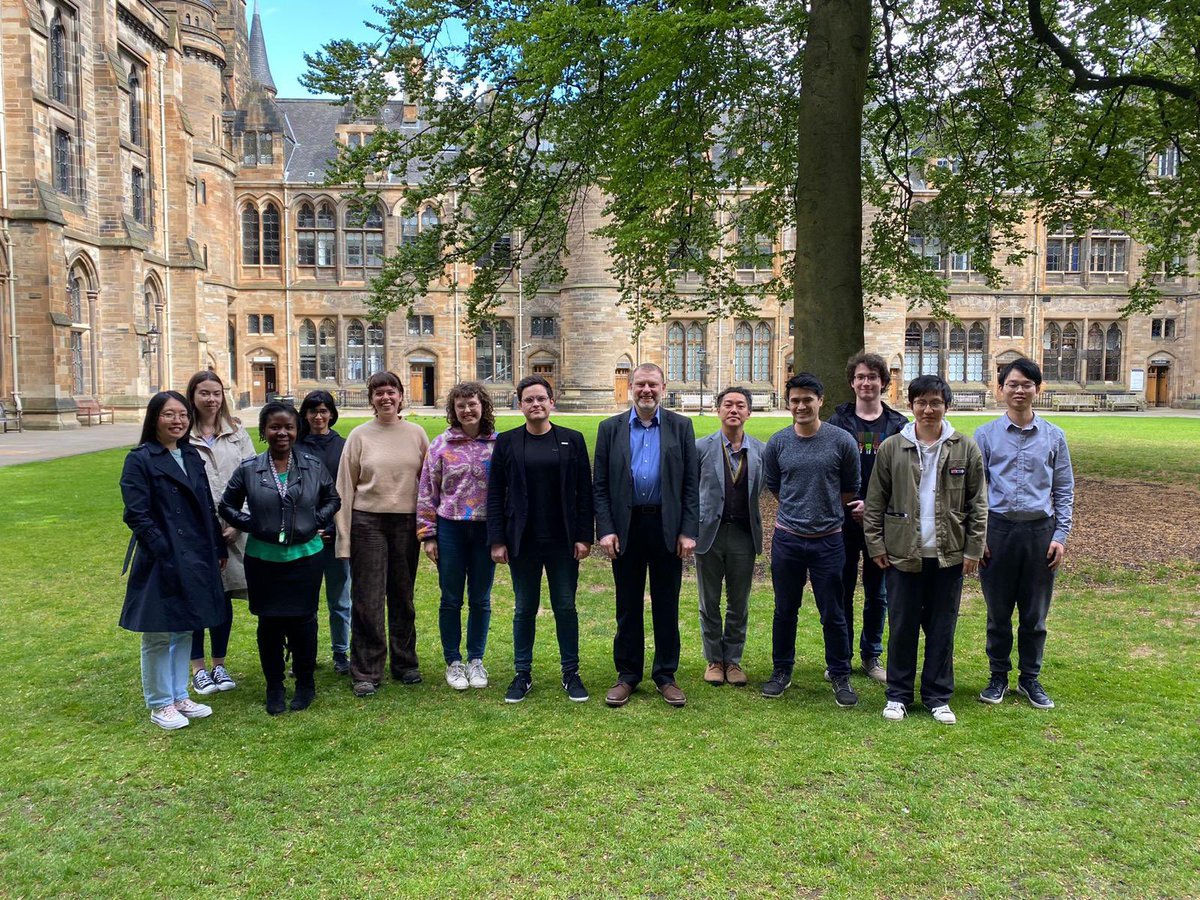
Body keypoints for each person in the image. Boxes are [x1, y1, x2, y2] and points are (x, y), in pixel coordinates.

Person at [863, 375, 988, 724]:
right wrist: (876, 544)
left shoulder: (965, 447)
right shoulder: (892, 447)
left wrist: (974, 548)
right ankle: (898, 695)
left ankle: (937, 696)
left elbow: (979, 503)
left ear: (946, 405)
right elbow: (875, 502)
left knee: (942, 628)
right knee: (902, 626)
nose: (928, 409)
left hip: (949, 555)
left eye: (935, 402)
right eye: (921, 402)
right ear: (911, 405)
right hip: (903, 554)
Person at [221, 402, 340, 715]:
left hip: (305, 557)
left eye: (288, 427)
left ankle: (305, 683)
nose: (282, 433)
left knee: (304, 622)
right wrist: (252, 524)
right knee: (269, 624)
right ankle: (274, 685)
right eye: (275, 427)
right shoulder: (250, 468)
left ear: (297, 429)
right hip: (263, 559)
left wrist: (314, 521)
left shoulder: (312, 465)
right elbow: (226, 505)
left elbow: (333, 498)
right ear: (264, 431)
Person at [119, 391, 228, 730]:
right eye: (169, 414)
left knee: (184, 627)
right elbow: (136, 514)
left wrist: (218, 547)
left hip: (196, 553)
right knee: (158, 632)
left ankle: (179, 695)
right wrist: (162, 547)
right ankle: (159, 703)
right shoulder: (140, 459)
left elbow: (206, 506)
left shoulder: (191, 455)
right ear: (155, 418)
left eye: (182, 414)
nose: (177, 420)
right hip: (161, 557)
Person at [594, 362, 699, 708]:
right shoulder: (609, 429)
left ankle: (666, 675)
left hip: (666, 528)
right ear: (631, 387)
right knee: (627, 605)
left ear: (663, 388)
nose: (646, 390)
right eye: (640, 384)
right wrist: (606, 529)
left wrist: (688, 530)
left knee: (666, 605)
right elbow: (600, 486)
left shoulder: (681, 427)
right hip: (627, 528)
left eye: (653, 384)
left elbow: (690, 484)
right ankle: (627, 674)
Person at [487, 376, 594, 703]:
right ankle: (522, 673)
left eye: (541, 399)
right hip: (523, 540)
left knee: (565, 606)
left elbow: (584, 493)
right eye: (529, 400)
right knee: (524, 607)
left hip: (563, 540)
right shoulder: (507, 442)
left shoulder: (572, 440)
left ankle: (570, 672)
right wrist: (497, 540)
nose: (535, 404)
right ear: (520, 405)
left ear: (551, 402)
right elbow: (495, 493)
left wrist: (583, 536)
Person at [975, 358, 1074, 710]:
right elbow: (975, 491)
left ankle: (1030, 678)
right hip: (997, 531)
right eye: (1012, 384)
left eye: (1026, 384)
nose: (1019, 390)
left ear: (1037, 389)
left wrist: (1060, 535)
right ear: (1001, 388)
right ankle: (998, 676)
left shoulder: (1054, 436)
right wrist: (978, 536)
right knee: (998, 613)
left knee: (1034, 615)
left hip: (1039, 533)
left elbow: (1064, 489)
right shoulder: (985, 435)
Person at [762, 372, 862, 707]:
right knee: (785, 609)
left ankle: (840, 673)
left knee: (833, 611)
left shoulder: (841, 441)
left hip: (828, 541)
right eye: (795, 400)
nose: (801, 406)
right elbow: (775, 486)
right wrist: (798, 510)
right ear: (788, 403)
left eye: (808, 399)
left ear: (820, 401)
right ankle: (781, 670)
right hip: (788, 540)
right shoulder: (778, 442)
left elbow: (850, 487)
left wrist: (824, 510)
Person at [335, 372, 431, 697]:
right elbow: (345, 488)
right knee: (368, 598)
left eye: (391, 392)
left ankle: (405, 663)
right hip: (367, 522)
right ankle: (366, 670)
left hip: (406, 522)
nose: (385, 398)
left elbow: (428, 483)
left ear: (401, 396)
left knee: (402, 595)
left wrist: (428, 529)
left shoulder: (417, 434)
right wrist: (344, 538)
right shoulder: (359, 436)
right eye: (379, 393)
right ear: (371, 399)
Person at [828, 352, 909, 683]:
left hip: (883, 522)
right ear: (852, 382)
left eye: (873, 377)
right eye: (860, 377)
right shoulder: (837, 423)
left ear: (883, 382)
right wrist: (849, 503)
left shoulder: (899, 426)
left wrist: (875, 507)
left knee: (878, 593)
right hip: (843, 520)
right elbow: (828, 471)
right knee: (842, 590)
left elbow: (905, 476)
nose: (866, 383)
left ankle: (871, 655)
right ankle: (841, 656)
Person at [417, 381, 499, 691]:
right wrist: (428, 535)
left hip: (485, 529)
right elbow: (427, 489)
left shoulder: (497, 444)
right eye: (460, 405)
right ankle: (453, 661)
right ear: (453, 409)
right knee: (451, 598)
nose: (467, 410)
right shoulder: (441, 444)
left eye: (472, 404)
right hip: (450, 527)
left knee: (480, 598)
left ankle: (476, 659)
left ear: (483, 406)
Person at [185, 370, 256, 696]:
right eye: (204, 393)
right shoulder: (183, 435)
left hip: (232, 529)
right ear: (193, 395)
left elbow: (254, 478)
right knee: (196, 597)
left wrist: (239, 522)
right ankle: (198, 668)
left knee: (223, 597)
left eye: (216, 393)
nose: (211, 399)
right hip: (196, 533)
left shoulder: (237, 434)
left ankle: (219, 663)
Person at [694, 386, 766, 687]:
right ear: (718, 410)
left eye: (740, 405)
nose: (733, 410)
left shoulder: (761, 450)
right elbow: (689, 491)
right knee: (708, 601)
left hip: (743, 535)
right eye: (727, 404)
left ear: (749, 412)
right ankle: (714, 660)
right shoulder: (700, 448)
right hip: (708, 534)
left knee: (739, 602)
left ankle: (733, 660)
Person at [296, 390, 352, 674]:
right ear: (305, 414)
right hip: (302, 536)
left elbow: (346, 491)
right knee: (303, 602)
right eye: (313, 411)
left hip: (334, 534)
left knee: (339, 599)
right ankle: (303, 654)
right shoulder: (295, 446)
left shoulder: (344, 446)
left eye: (323, 411)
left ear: (331, 414)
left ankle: (341, 652)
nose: (318, 417)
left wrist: (332, 526)